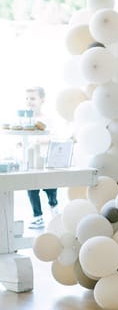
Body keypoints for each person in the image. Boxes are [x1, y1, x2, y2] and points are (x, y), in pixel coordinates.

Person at [24, 86, 57, 229]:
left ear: (41, 100)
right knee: (31, 188)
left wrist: (38, 140)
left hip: (45, 160)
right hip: (30, 161)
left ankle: (54, 207)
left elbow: (52, 138)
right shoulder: (25, 119)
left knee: (50, 186)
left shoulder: (46, 119)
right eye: (27, 98)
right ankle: (37, 216)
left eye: (32, 98)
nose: (29, 101)